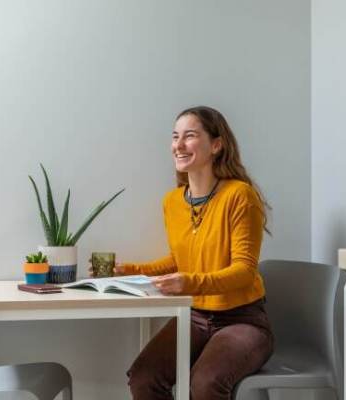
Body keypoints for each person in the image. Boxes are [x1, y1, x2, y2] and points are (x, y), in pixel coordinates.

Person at [93, 106, 273, 399]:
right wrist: (128, 271)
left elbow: (244, 271)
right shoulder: (173, 201)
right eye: (175, 137)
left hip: (243, 319)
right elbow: (179, 261)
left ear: (216, 145)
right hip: (195, 316)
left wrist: (189, 282)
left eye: (189, 136)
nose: (178, 145)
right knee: (144, 377)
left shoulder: (239, 195)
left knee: (205, 384)